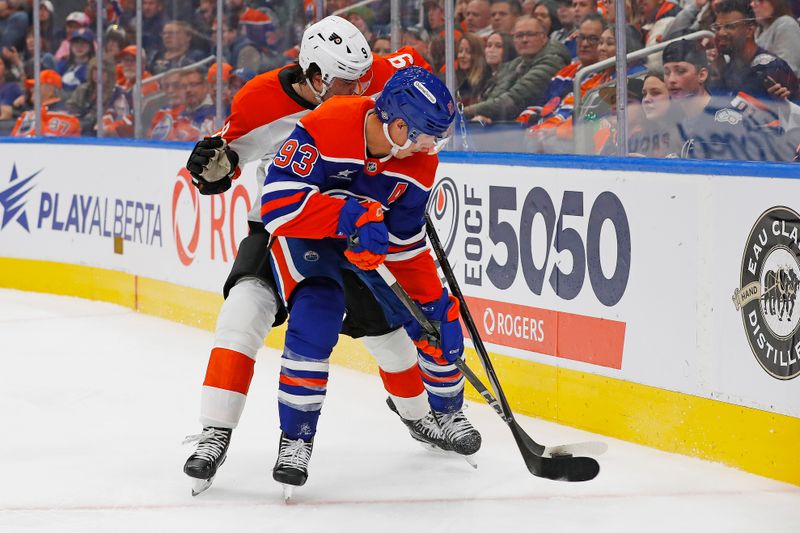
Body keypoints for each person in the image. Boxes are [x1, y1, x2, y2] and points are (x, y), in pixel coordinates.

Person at [182, 16, 459, 496]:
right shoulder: (260, 100)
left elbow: (419, 88)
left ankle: (420, 417)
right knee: (242, 314)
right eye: (346, 83)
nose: (359, 89)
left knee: (390, 336)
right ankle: (214, 430)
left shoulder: (382, 81)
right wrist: (212, 170)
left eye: (363, 80)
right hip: (288, 225)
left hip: (359, 233)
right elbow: (224, 164)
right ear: (314, 74)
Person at [261, 66, 478, 492]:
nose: (431, 147)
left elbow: (406, 238)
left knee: (438, 320)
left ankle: (448, 410)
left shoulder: (419, 162)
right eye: (426, 136)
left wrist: (431, 302)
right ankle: (296, 439)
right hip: (311, 238)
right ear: (398, 124)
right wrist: (347, 216)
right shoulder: (327, 124)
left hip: (369, 244)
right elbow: (276, 204)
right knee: (316, 317)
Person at [463, 16, 570, 122]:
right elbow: (495, 94)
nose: (524, 40)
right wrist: (483, 114)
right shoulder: (519, 62)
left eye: (530, 34)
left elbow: (513, 101)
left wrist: (465, 112)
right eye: (519, 35)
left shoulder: (552, 62)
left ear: (544, 37)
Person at [709, 0, 797, 101]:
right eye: (717, 28)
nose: (721, 33)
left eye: (730, 27)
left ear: (750, 30)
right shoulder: (729, 68)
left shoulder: (771, 68)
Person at [11, 70, 80, 137]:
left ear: (50, 90)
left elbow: (47, 142)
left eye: (37, 85)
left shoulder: (66, 116)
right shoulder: (29, 114)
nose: (32, 89)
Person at [751, 0, 800, 76]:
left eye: (760, 1)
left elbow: (789, 68)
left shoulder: (786, 24)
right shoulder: (760, 30)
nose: (752, 4)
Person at [453, 33, 492, 106]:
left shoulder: (486, 79)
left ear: (478, 55)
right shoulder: (455, 78)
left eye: (468, 52)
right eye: (460, 51)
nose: (462, 56)